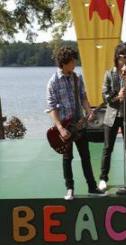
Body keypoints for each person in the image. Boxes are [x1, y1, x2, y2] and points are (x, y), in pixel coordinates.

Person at [46, 46, 104, 200]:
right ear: (64, 63)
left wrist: (88, 110)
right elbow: (52, 108)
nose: (75, 64)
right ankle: (70, 189)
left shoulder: (77, 78)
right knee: (67, 158)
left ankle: (92, 187)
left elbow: (83, 98)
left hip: (79, 125)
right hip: (64, 128)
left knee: (86, 156)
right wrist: (60, 129)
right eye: (73, 61)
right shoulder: (53, 82)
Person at [98, 42, 126, 191]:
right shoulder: (109, 74)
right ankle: (103, 178)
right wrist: (117, 96)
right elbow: (105, 96)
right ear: (117, 57)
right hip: (112, 116)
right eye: (123, 56)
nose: (125, 60)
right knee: (108, 147)